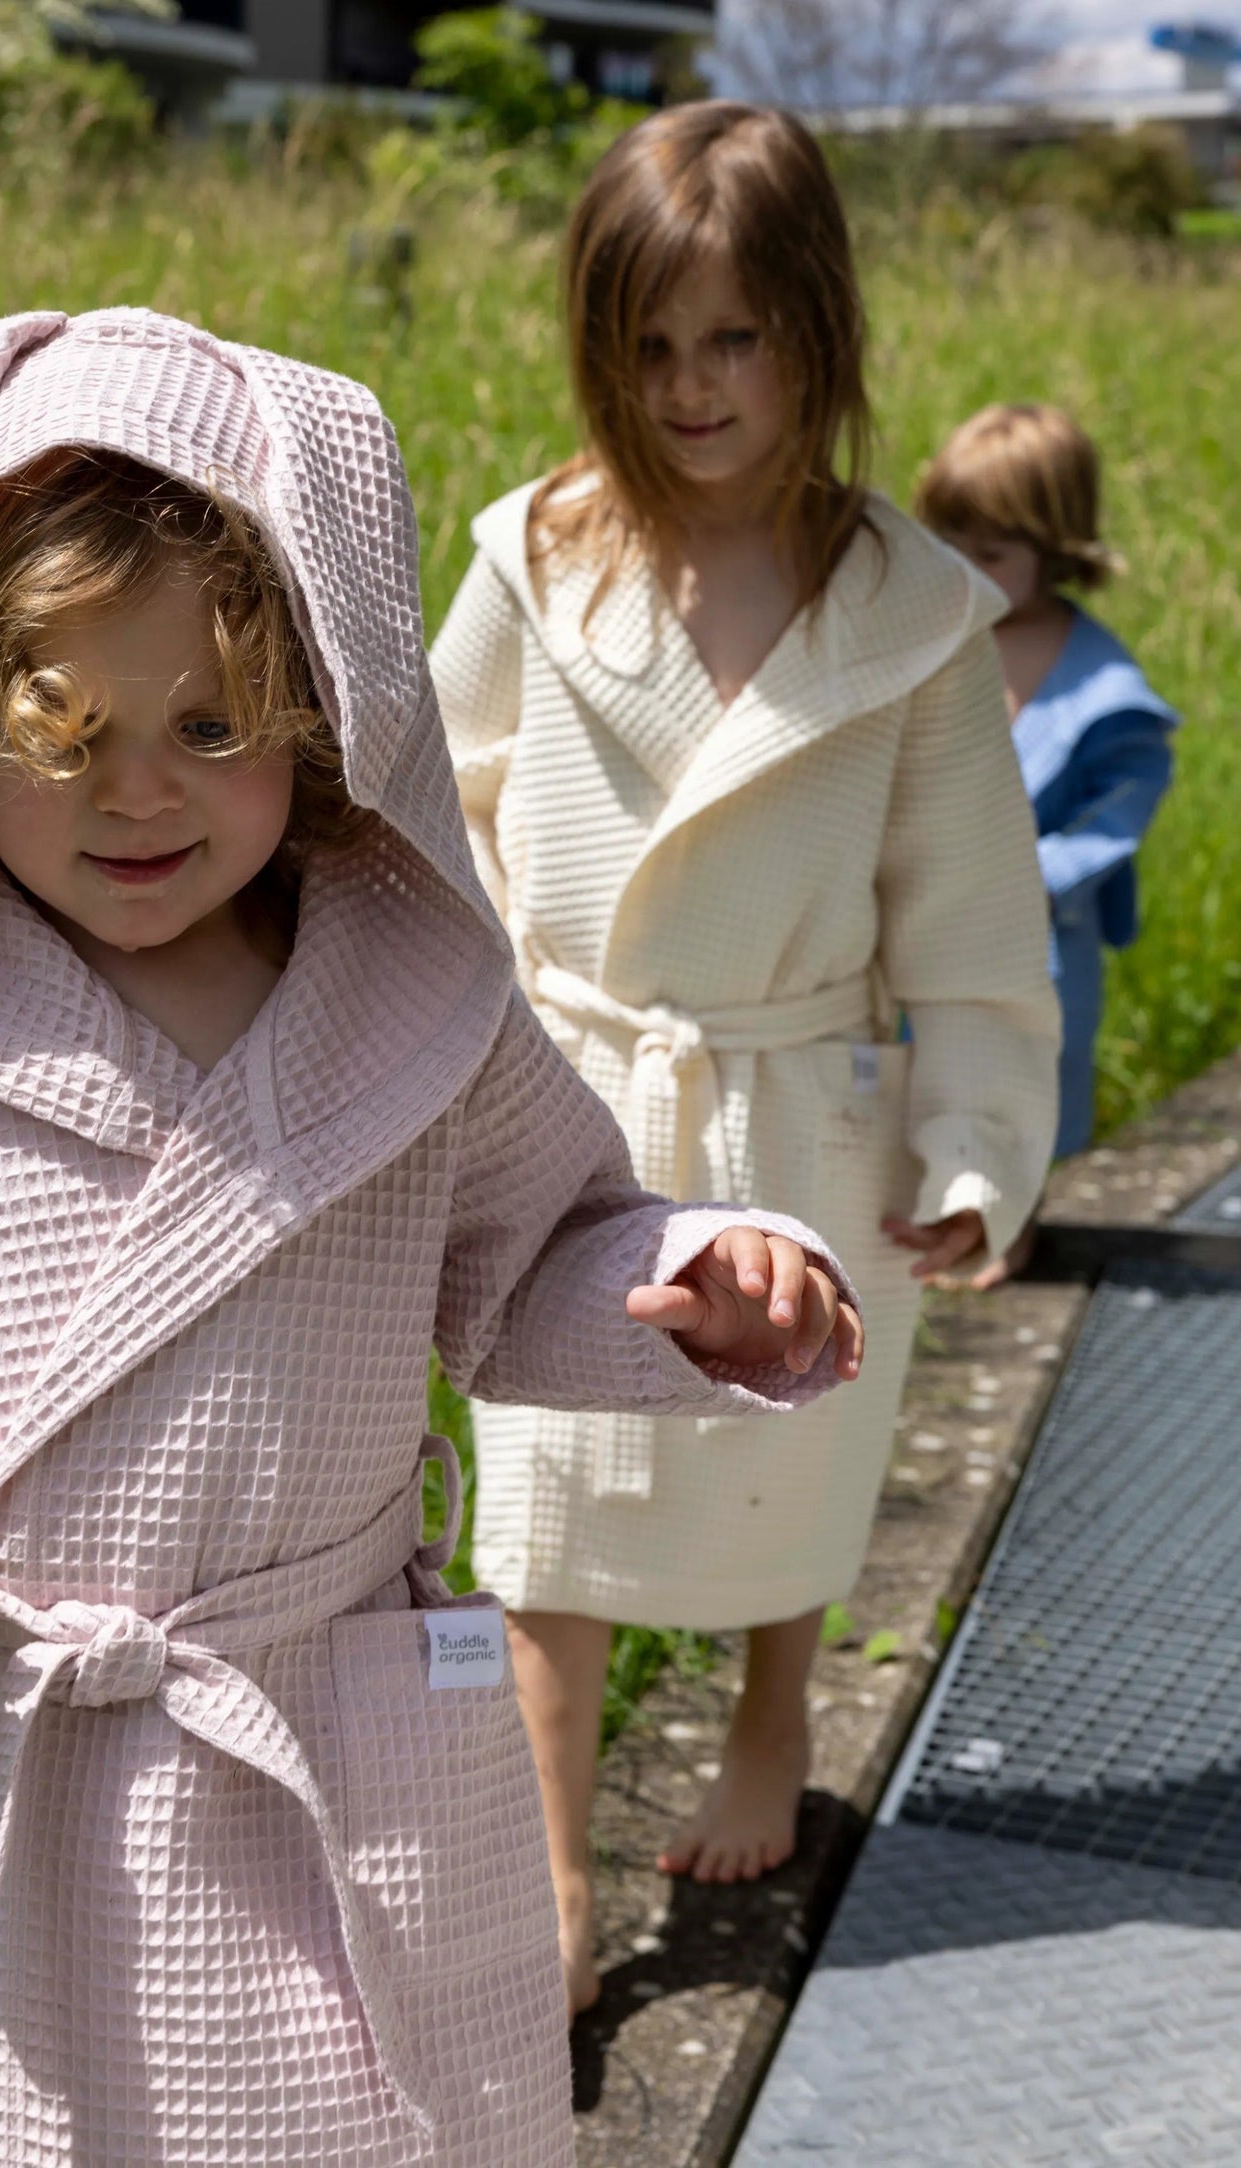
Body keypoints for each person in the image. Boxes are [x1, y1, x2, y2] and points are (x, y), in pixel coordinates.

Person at [0, 309, 864, 2167]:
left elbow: (552, 1253)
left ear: (325, 712)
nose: (142, 791)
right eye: (69, 732)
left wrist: (697, 1281)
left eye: (211, 727)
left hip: (316, 1713)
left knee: (368, 2122)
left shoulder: (414, 1007)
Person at [430, 102, 1059, 2016]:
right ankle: (546, 1860)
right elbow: (432, 810)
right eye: (650, 344)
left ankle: (776, 1704)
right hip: (576, 1097)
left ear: (817, 330)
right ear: (597, 346)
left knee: (796, 1433)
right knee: (549, 1489)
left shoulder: (910, 612)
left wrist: (969, 1141)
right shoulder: (540, 561)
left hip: (796, 1102)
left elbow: (966, 915)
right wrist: (433, 1052)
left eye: (738, 339)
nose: (692, 388)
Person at [916, 402, 1177, 1280]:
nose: (966, 572)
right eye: (948, 545)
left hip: (1039, 937)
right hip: (925, 922)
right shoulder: (930, 641)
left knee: (1030, 1075)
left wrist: (1032, 874)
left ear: (1056, 547)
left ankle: (1011, 1218)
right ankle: (934, 1209)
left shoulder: (1099, 687)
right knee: (921, 1067)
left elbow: (1120, 807)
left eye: (991, 555)